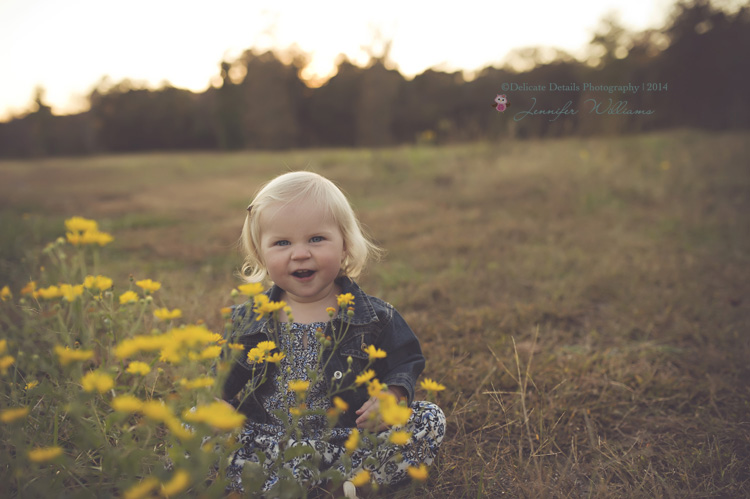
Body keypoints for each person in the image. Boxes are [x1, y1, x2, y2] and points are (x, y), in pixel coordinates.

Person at [221, 171, 445, 496]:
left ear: (344, 246)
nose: (300, 253)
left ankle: (346, 484)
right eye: (282, 243)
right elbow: (222, 379)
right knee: (193, 421)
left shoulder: (374, 316)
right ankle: (273, 484)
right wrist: (215, 404)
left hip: (345, 441)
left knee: (428, 418)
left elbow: (406, 358)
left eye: (316, 239)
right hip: (268, 441)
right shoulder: (250, 320)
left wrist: (393, 395)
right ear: (261, 255)